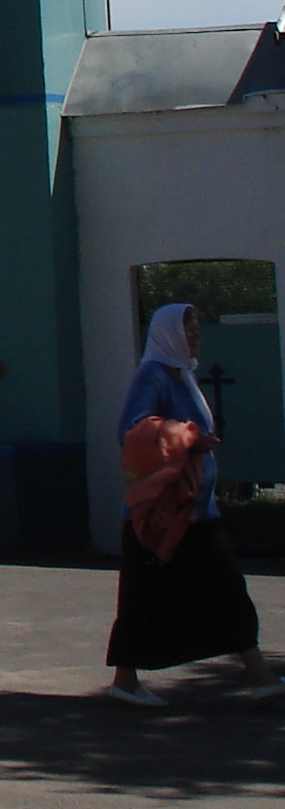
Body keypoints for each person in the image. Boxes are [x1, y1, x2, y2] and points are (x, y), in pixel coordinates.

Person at [106, 303, 283, 707]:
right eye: (188, 331)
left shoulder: (181, 375)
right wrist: (189, 438)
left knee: (224, 590)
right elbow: (131, 430)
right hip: (159, 515)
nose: (195, 337)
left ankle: (259, 675)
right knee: (146, 595)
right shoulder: (151, 375)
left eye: (197, 330)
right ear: (168, 335)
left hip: (194, 511)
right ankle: (126, 680)